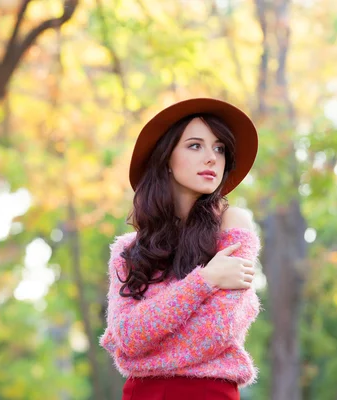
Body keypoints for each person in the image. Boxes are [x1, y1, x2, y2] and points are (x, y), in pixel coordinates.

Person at [99, 97, 261, 400]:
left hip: (208, 393)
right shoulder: (128, 251)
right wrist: (204, 281)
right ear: (166, 159)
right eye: (195, 145)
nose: (212, 157)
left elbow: (216, 331)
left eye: (219, 148)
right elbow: (129, 336)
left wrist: (150, 352)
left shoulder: (232, 227)